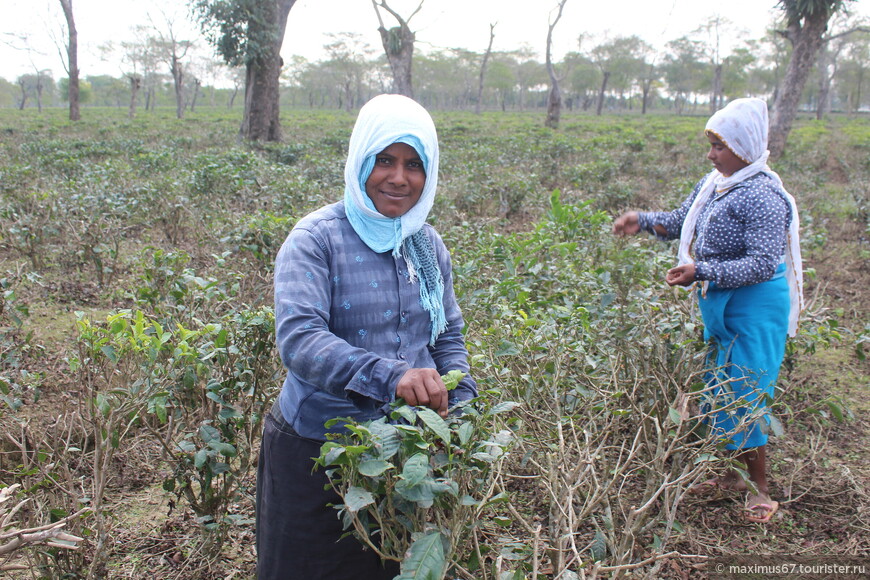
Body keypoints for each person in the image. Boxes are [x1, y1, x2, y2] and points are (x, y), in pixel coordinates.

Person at [255, 94, 478, 579]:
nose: (399, 178)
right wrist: (393, 378)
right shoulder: (316, 239)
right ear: (360, 160)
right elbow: (300, 341)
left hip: (406, 450)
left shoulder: (425, 243)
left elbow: (446, 337)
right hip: (318, 451)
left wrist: (462, 406)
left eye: (414, 165)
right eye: (385, 160)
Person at [613, 98, 803, 524]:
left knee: (746, 389)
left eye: (719, 145)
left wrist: (702, 269)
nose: (711, 153)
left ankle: (759, 488)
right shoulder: (715, 183)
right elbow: (683, 221)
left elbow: (760, 262)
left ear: (744, 145)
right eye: (710, 144)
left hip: (755, 304)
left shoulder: (763, 196)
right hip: (721, 297)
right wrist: (641, 221)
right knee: (720, 385)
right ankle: (733, 475)